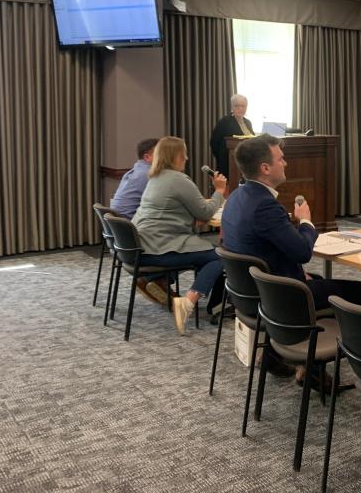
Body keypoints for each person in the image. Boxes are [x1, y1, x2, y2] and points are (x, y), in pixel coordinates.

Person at [220, 133, 361, 385]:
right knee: (358, 292)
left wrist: (294, 270)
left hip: (248, 294)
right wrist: (305, 221)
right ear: (265, 167)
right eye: (281, 159)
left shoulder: (237, 196)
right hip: (278, 298)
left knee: (322, 282)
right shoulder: (265, 207)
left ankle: (273, 354)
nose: (286, 163)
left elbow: (261, 249)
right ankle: (311, 368)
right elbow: (302, 251)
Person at [132, 136, 227, 335]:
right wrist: (219, 191)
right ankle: (188, 302)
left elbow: (169, 210)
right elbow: (205, 213)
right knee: (219, 257)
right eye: (183, 153)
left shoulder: (155, 176)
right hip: (159, 247)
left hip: (143, 244)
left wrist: (193, 216)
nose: (187, 157)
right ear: (175, 156)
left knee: (206, 254)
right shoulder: (178, 179)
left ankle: (159, 279)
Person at [109, 138, 159, 219]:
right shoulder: (148, 174)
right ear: (147, 157)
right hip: (130, 225)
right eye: (161, 154)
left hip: (118, 226)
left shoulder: (135, 170)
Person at [210, 94, 255, 176]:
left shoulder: (248, 122)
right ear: (232, 107)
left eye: (243, 106)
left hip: (247, 163)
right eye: (237, 106)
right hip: (229, 163)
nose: (240, 108)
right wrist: (222, 158)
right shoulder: (225, 121)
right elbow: (214, 142)